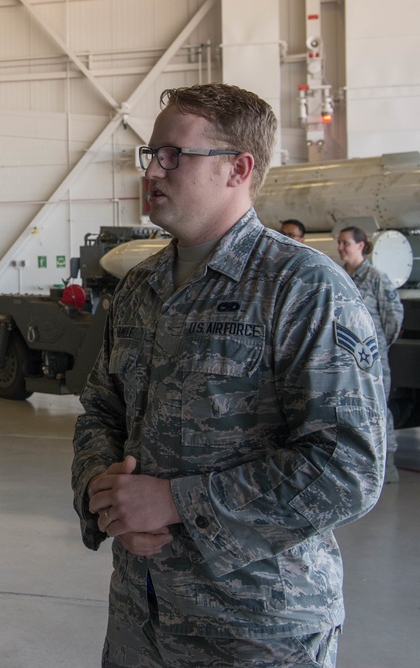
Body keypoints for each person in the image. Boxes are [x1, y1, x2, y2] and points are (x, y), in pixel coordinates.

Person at [72, 83, 385, 668]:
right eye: (151, 153)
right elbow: (101, 411)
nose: (153, 169)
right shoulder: (140, 289)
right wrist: (103, 496)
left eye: (174, 154)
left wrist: (177, 502)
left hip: (255, 629)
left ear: (238, 169)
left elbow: (350, 465)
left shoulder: (303, 289)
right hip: (141, 619)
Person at [337, 225, 404, 484]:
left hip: (372, 359)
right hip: (345, 359)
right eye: (340, 243)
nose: (341, 248)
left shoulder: (376, 278)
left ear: (361, 245)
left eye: (346, 243)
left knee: (378, 410)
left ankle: (388, 465)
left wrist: (377, 346)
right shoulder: (339, 276)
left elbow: (393, 318)